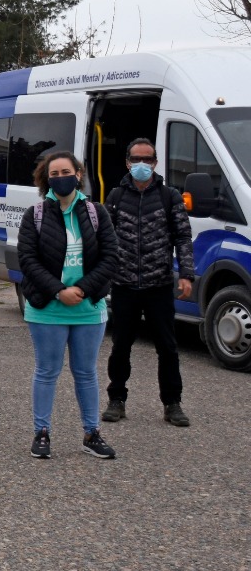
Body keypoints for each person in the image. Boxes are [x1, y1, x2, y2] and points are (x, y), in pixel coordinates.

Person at [17, 151, 120, 460]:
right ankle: (42, 433)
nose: (60, 177)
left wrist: (82, 289)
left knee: (86, 373)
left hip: (88, 307)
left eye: (66, 171)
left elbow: (110, 257)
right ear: (46, 179)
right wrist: (59, 290)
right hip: (47, 307)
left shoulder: (95, 213)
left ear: (78, 174)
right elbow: (28, 260)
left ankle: (91, 433)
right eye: (54, 173)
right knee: (47, 371)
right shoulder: (34, 215)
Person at [102, 138, 196, 427]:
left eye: (148, 159)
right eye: (136, 159)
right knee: (121, 346)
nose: (142, 164)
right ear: (127, 162)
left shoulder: (170, 196)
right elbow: (105, 239)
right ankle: (116, 399)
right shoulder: (116, 197)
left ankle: (172, 403)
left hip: (158, 285)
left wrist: (187, 274)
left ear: (155, 162)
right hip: (124, 285)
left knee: (167, 347)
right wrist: (102, 278)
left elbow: (182, 237)